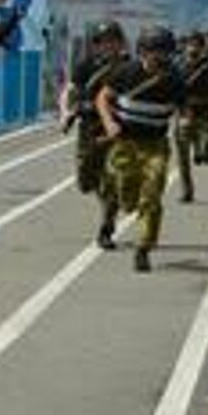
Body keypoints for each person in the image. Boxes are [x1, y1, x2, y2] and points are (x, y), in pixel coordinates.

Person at [94, 24, 184, 272]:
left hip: (155, 146)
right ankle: (112, 219)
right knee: (125, 194)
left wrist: (183, 122)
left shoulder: (174, 79)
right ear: (143, 51)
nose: (161, 57)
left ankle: (144, 247)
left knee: (152, 195)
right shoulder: (126, 72)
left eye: (166, 52)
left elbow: (181, 109)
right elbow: (102, 98)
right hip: (125, 144)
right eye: (157, 52)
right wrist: (109, 123)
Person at [60, 19, 126, 245]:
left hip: (116, 129)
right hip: (88, 128)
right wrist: (66, 112)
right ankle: (107, 201)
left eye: (112, 41)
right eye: (102, 42)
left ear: (120, 42)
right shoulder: (86, 66)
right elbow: (70, 90)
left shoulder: (130, 68)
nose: (107, 46)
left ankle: (107, 225)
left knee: (113, 178)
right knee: (86, 181)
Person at [174, 30, 208, 204]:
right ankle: (186, 191)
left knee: (207, 152)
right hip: (183, 112)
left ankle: (201, 150)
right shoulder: (178, 66)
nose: (193, 48)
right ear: (186, 46)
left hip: (204, 111)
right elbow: (170, 89)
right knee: (182, 157)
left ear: (202, 48)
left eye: (197, 45)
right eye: (191, 44)